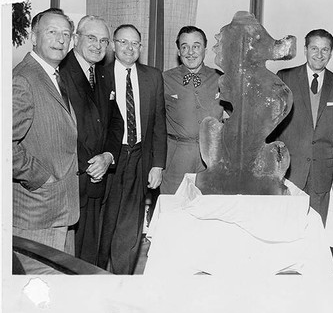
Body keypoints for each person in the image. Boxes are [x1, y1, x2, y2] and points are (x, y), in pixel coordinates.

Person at [12, 8, 79, 273]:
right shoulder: (23, 78)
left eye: (66, 34)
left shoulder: (52, 76)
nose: (60, 40)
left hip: (60, 210)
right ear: (33, 36)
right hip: (36, 213)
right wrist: (41, 178)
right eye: (52, 32)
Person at [97, 24, 167, 274]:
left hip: (139, 157)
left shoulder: (153, 76)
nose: (129, 48)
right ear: (114, 45)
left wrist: (158, 164)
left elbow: (159, 121)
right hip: (110, 161)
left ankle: (122, 280)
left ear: (140, 47)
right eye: (124, 42)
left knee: (131, 224)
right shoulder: (100, 75)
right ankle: (96, 278)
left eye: (135, 43)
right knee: (105, 222)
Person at [59, 15, 124, 264]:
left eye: (104, 40)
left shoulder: (103, 76)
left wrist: (107, 156)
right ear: (76, 39)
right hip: (70, 180)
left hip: (97, 180)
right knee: (65, 258)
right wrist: (91, 163)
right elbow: (60, 128)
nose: (98, 45)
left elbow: (116, 122)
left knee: (88, 255)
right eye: (92, 38)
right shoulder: (61, 73)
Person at [273, 29, 333, 225]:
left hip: (322, 172)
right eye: (314, 48)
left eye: (325, 49)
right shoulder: (284, 78)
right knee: (286, 227)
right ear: (305, 50)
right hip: (289, 170)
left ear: (331, 52)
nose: (319, 54)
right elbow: (273, 125)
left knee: (315, 230)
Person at [160, 26, 224, 194]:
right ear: (179, 52)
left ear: (205, 49)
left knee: (208, 209)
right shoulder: (164, 79)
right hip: (176, 158)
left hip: (211, 160)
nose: (190, 52)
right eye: (184, 47)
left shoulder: (221, 79)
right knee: (173, 209)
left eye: (196, 46)